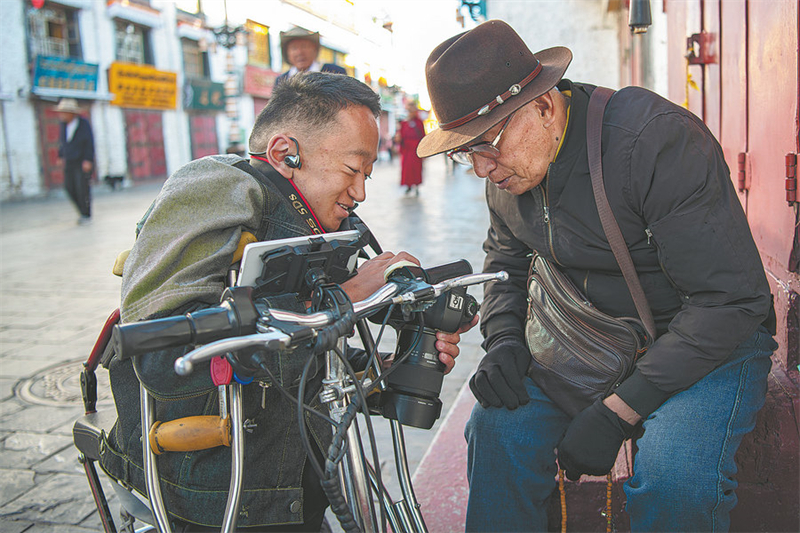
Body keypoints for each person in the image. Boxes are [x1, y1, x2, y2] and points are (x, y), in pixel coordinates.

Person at [416, 20, 777, 532]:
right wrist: (502, 344)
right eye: (465, 151)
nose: (481, 168)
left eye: (487, 144)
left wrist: (618, 410)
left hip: (706, 343)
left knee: (676, 482)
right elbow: (504, 264)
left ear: (542, 106)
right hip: (589, 340)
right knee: (496, 431)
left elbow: (729, 301)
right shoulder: (507, 167)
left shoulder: (653, 140)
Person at [100, 72, 473, 531]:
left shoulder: (317, 221)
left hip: (294, 475)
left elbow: (304, 357)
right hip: (214, 488)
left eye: (367, 174)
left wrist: (386, 366)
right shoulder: (217, 186)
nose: (360, 192)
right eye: (352, 170)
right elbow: (165, 358)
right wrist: (346, 297)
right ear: (285, 153)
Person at [56, 98, 94, 224]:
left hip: (81, 161)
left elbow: (89, 142)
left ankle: (86, 214)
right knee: (69, 187)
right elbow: (63, 142)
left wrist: (88, 159)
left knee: (82, 187)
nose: (61, 115)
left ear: (71, 113)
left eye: (64, 112)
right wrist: (61, 156)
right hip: (70, 160)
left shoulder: (83, 124)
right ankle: (81, 211)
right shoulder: (63, 126)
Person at [274, 27, 346, 87]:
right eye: (294, 48)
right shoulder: (281, 80)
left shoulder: (334, 72)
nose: (300, 52)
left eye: (304, 46)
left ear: (315, 50)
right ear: (287, 53)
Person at [394, 99, 426, 195]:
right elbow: (401, 136)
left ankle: (416, 185)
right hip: (407, 150)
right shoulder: (404, 123)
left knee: (416, 169)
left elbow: (422, 136)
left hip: (416, 149)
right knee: (407, 169)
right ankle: (408, 185)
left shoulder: (419, 122)